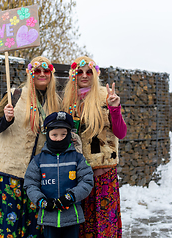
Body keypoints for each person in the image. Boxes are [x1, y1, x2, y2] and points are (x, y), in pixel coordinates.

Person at [0, 56, 60, 238]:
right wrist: (6, 119)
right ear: (30, 73)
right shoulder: (14, 94)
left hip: (38, 176)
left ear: (51, 74)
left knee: (34, 226)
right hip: (10, 172)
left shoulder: (56, 102)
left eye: (46, 71)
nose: (42, 74)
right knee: (8, 225)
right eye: (37, 70)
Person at [62, 56, 127, 238]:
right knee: (81, 228)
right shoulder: (68, 101)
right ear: (73, 75)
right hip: (78, 177)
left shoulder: (106, 97)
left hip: (103, 175)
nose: (84, 75)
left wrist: (114, 109)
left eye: (88, 72)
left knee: (105, 228)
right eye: (79, 72)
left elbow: (121, 133)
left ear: (95, 74)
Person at [23, 111, 94, 238]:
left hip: (72, 217)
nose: (59, 138)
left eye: (63, 134)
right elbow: (30, 184)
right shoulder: (38, 160)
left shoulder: (77, 158)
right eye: (54, 135)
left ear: (69, 135)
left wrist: (71, 196)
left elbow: (87, 181)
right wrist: (42, 201)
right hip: (49, 217)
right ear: (47, 134)